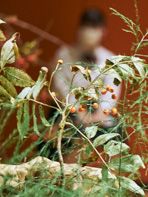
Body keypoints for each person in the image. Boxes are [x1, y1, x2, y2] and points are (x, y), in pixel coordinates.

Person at [42, 7, 121, 161]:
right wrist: (77, 110)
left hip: (99, 114)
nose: (89, 32)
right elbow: (60, 87)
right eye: (86, 26)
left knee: (116, 134)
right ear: (79, 29)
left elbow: (112, 94)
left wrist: (99, 113)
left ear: (104, 31)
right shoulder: (64, 54)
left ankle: (106, 175)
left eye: (94, 27)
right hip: (68, 110)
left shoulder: (109, 59)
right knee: (61, 132)